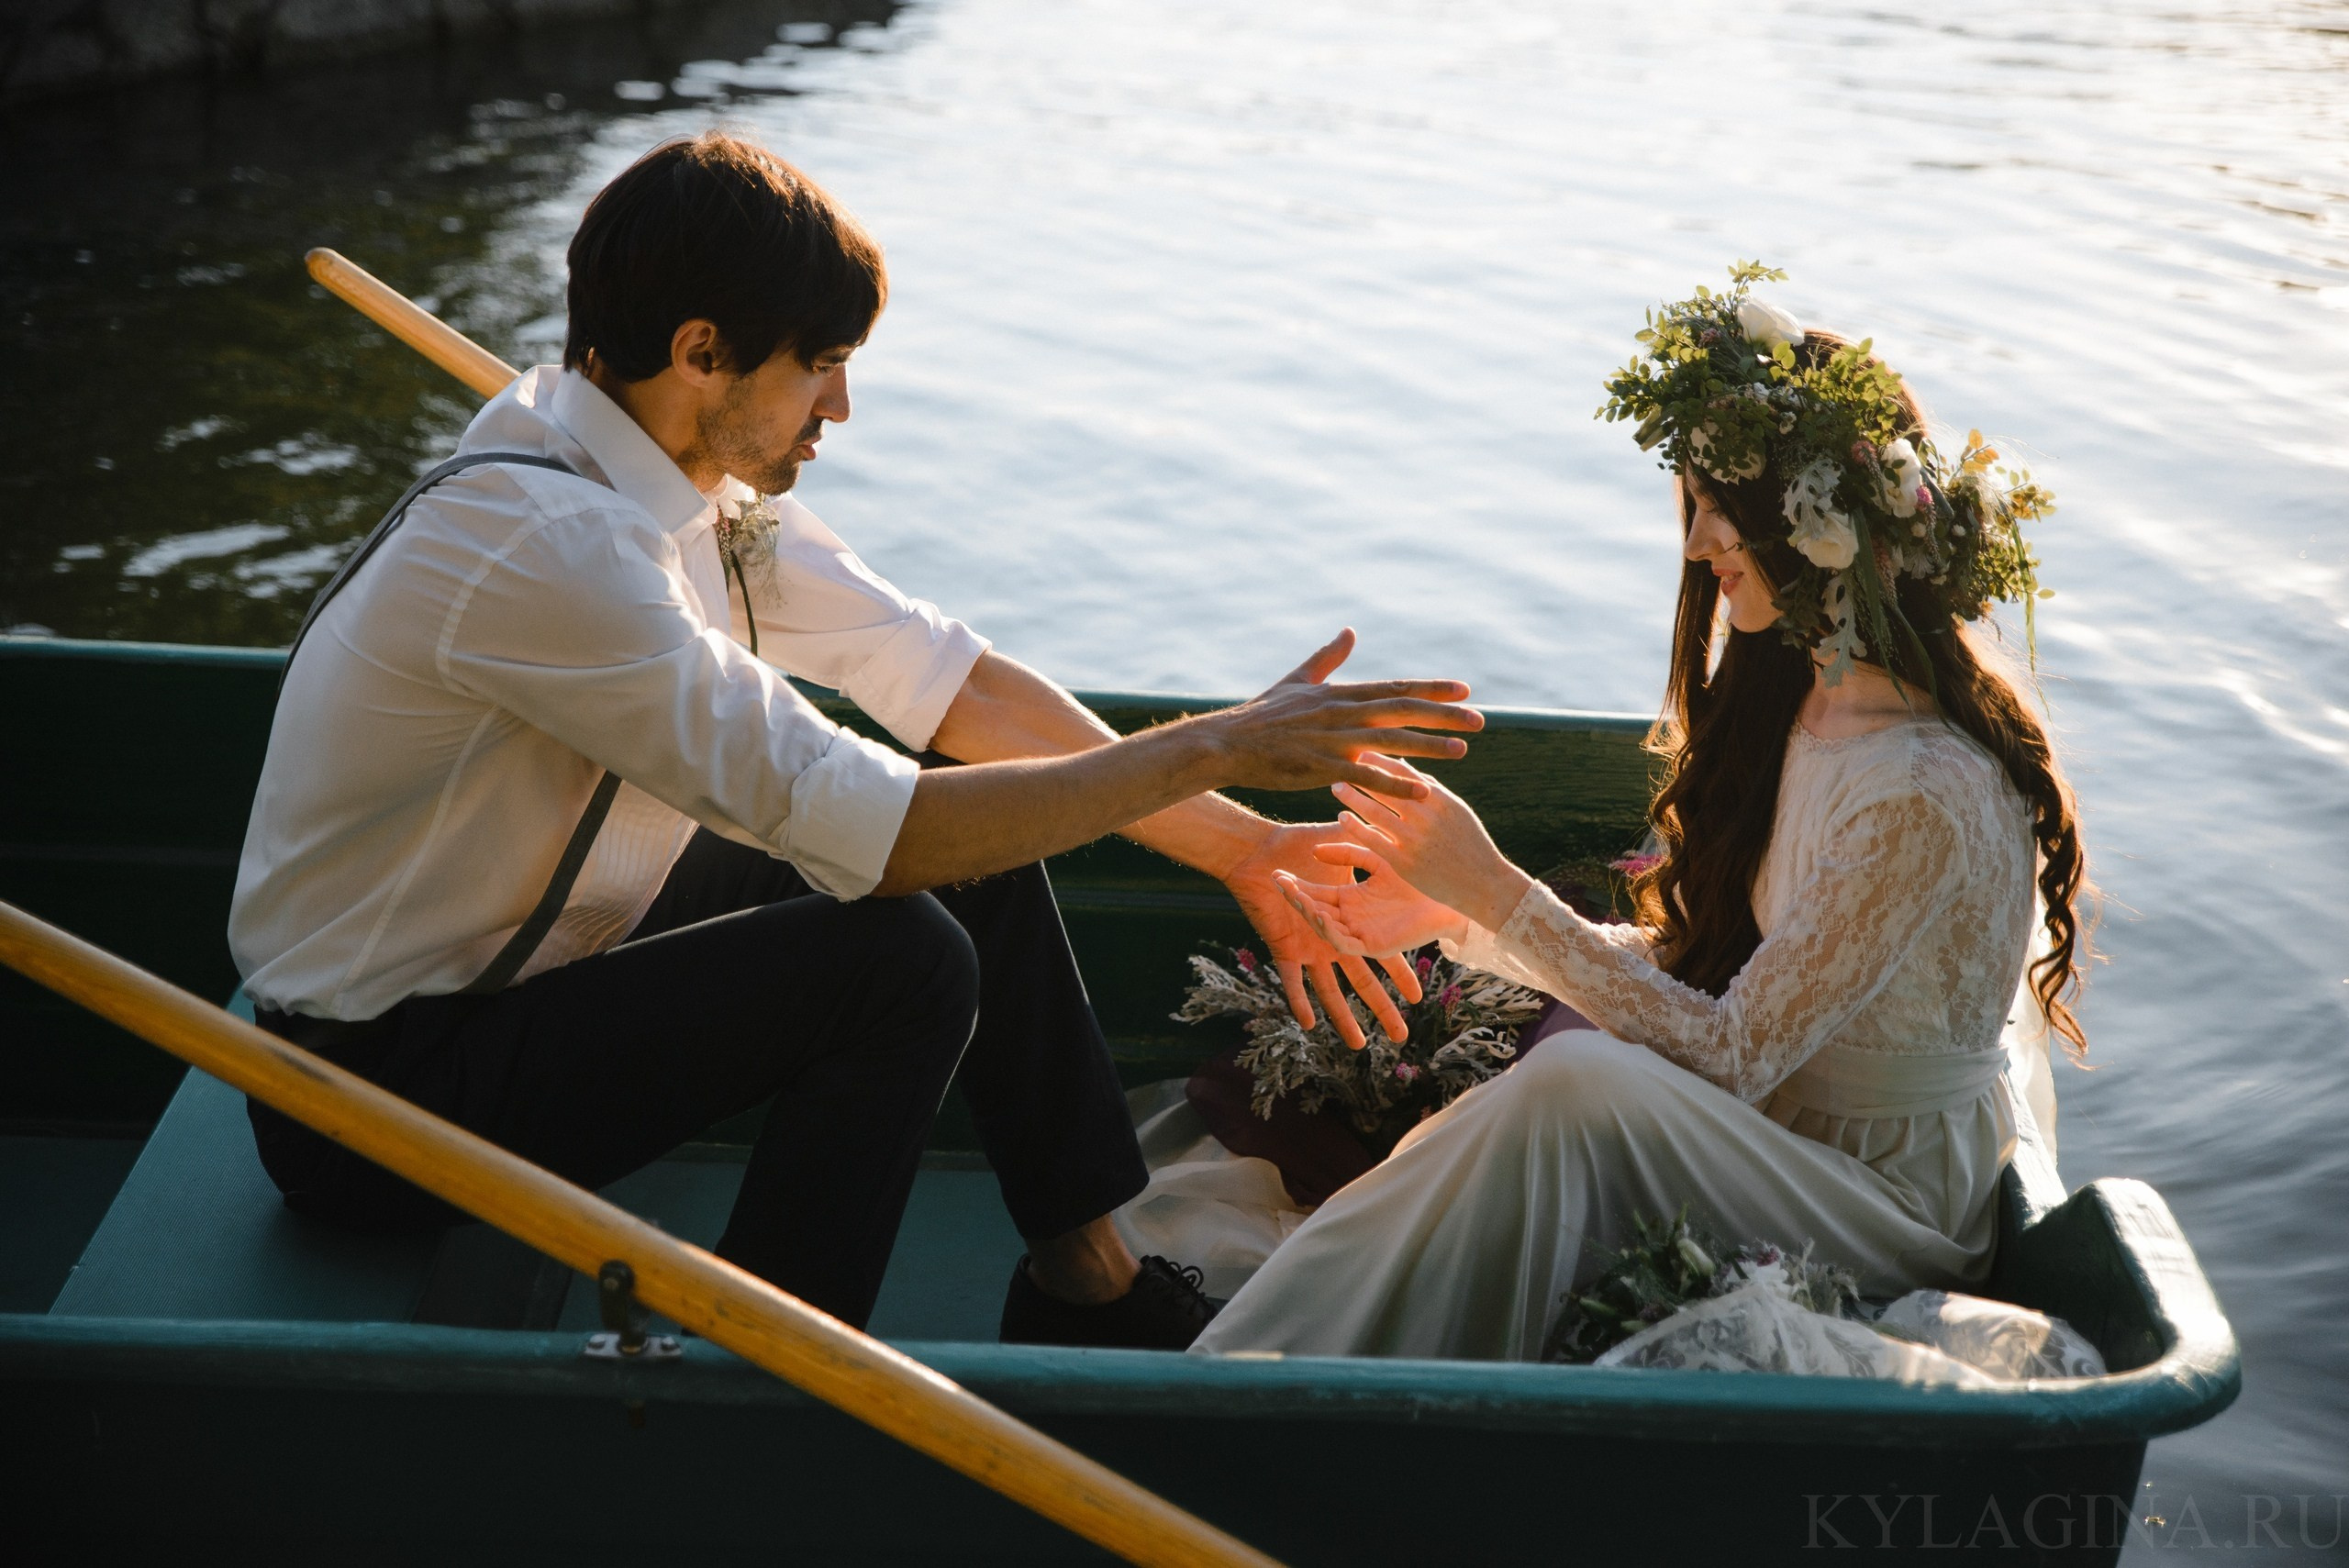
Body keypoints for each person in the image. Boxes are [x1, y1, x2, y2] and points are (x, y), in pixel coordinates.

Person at [228, 131, 1482, 1349]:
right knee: (901, 958)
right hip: (371, 1098)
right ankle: (772, 1376)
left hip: (530, 954)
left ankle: (1086, 1282)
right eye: (821, 362)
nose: (841, 405)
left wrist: (1244, 847)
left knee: (969, 824)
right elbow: (880, 844)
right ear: (702, 351)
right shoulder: (553, 549)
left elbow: (955, 688)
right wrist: (1209, 745)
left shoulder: (675, 488)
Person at [1191, 269, 2089, 1361]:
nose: (1700, 541)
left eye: (1724, 507)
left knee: (1573, 1084)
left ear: (1816, 524)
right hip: (1786, 1138)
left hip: (1886, 1198)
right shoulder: (1806, 709)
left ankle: (1296, 1363)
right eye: (1694, 504)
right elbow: (1718, 974)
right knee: (1566, 1083)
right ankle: (1290, 1344)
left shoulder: (1921, 791)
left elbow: (1734, 1048)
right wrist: (1451, 918)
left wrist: (1497, 888)